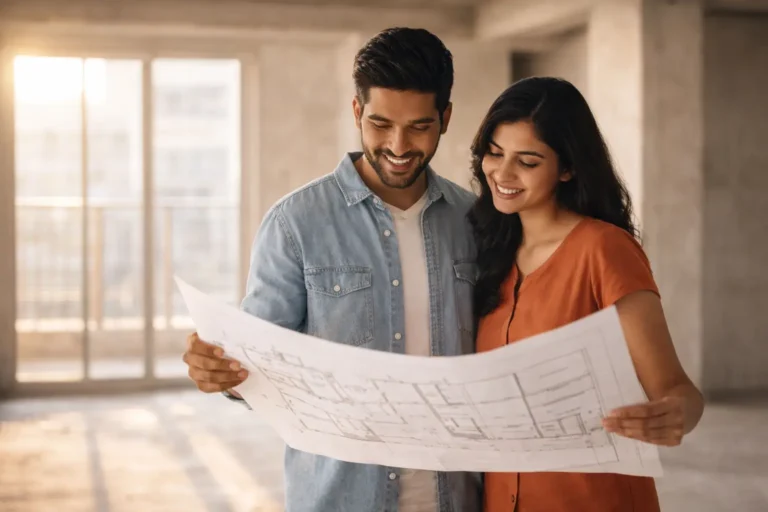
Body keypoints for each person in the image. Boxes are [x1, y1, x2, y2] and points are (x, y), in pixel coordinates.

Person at [182, 27, 482, 512]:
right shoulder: (295, 224)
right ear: (357, 111)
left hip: (457, 498)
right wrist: (222, 373)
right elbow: (256, 366)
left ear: (445, 118)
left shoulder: (475, 221)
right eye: (380, 124)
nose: (398, 145)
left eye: (419, 127)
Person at [468, 76, 705, 512]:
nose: (502, 173)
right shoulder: (486, 251)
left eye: (527, 161)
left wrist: (673, 415)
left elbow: (678, 391)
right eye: (495, 153)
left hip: (594, 499)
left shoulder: (604, 249)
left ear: (567, 168)